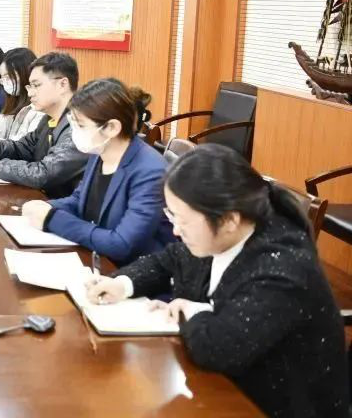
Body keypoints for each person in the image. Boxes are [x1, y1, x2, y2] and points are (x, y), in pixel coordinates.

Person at [85, 144, 349, 417]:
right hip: (221, 386)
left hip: (271, 404)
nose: (175, 231)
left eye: (183, 221)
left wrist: (190, 312)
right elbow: (169, 260)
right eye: (171, 216)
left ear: (229, 220)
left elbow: (217, 349)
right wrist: (122, 283)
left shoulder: (282, 268)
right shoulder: (223, 233)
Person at [18, 78, 174, 265]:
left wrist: (52, 219)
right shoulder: (99, 151)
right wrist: (46, 207)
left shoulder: (150, 171)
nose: (75, 132)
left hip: (131, 272)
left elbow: (122, 244)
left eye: (81, 126)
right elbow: (79, 200)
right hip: (98, 258)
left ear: (112, 128)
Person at [0, 52, 87, 198]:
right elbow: (21, 148)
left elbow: (44, 173)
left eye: (36, 85)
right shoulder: (49, 120)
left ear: (62, 84)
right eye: (30, 86)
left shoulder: (79, 125)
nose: (30, 93)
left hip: (58, 205)